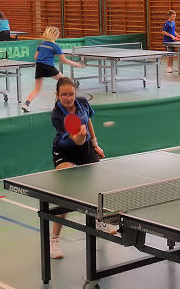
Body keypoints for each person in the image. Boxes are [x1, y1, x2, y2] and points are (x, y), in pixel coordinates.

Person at [49, 77, 116, 259]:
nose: (68, 98)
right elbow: (76, 140)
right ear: (57, 95)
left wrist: (94, 143)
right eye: (64, 94)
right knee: (66, 193)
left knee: (98, 187)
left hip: (85, 149)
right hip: (65, 152)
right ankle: (54, 240)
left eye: (71, 94)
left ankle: (99, 221)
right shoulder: (57, 115)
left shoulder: (82, 102)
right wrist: (80, 135)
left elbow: (89, 121)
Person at [22, 26, 84, 112]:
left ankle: (26, 104)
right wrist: (77, 64)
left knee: (37, 89)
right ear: (55, 35)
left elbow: (36, 57)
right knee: (66, 82)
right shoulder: (55, 46)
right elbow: (64, 60)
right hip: (48, 67)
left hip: (39, 66)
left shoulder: (41, 44)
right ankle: (64, 103)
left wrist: (45, 56)